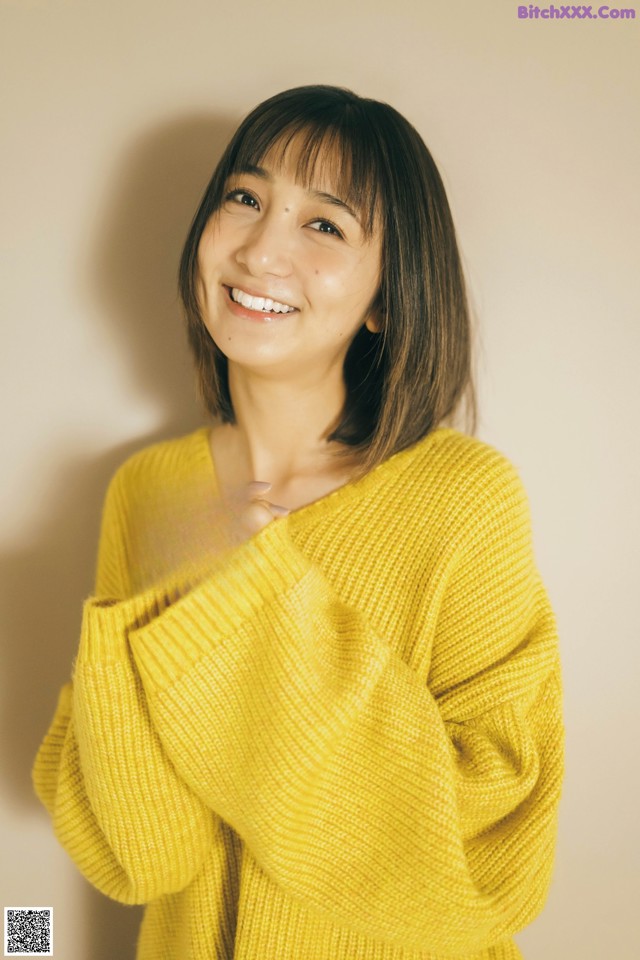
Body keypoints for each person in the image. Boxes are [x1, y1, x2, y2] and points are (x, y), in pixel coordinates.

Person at [32, 85, 565, 960]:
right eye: (244, 198)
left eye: (326, 224)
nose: (261, 246)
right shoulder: (148, 491)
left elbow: (494, 864)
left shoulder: (465, 497)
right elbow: (137, 855)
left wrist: (252, 599)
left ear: (387, 298)